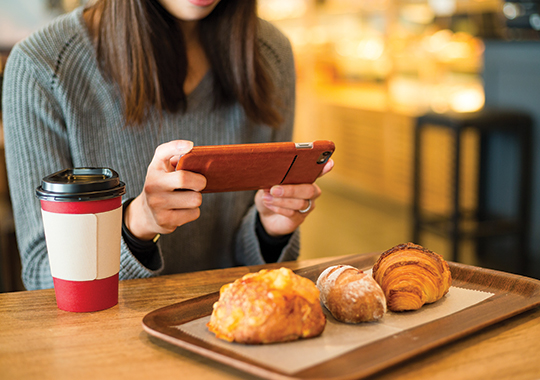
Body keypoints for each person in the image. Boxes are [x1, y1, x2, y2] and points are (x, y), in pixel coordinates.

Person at [2, 0, 333, 291]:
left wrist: (268, 229)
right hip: (108, 346)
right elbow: (43, 274)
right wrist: (137, 225)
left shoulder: (269, 53)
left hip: (236, 332)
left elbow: (251, 270)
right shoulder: (42, 66)